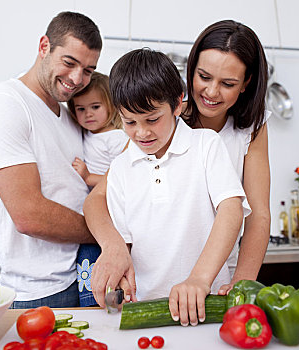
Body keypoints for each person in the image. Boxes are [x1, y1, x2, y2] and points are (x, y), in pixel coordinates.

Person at [105, 48, 251, 326]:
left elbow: (231, 210)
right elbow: (125, 243)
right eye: (129, 122)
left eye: (152, 119)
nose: (141, 133)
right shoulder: (120, 168)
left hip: (208, 307)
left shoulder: (206, 145)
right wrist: (121, 280)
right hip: (149, 312)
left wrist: (199, 278)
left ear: (177, 104)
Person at [0, 11, 104, 308]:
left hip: (80, 276)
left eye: (88, 70)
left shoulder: (72, 117)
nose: (76, 79)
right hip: (36, 293)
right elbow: (28, 215)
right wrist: (105, 232)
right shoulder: (8, 104)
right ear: (44, 46)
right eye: (69, 63)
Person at [182, 19, 271, 295]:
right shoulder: (165, 119)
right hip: (161, 275)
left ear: (246, 83)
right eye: (204, 77)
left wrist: (242, 283)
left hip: (222, 276)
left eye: (228, 83)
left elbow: (258, 215)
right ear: (191, 69)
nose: (211, 92)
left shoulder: (251, 129)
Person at [67, 71, 128, 306]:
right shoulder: (88, 134)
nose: (88, 114)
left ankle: (107, 303)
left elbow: (120, 176)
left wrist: (87, 176)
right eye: (80, 109)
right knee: (90, 262)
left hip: (111, 212)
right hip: (94, 215)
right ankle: (93, 301)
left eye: (95, 107)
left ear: (111, 106)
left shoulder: (115, 138)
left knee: (107, 259)